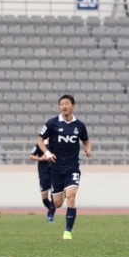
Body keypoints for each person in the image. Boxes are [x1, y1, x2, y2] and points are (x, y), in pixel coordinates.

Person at [37, 95, 91, 240]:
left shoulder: (79, 125)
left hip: (72, 167)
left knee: (71, 197)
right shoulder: (52, 123)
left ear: (73, 106)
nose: (64, 106)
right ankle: (55, 211)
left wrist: (88, 149)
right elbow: (40, 140)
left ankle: (67, 231)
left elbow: (86, 141)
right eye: (61, 104)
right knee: (58, 203)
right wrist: (47, 153)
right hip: (55, 168)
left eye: (67, 104)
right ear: (59, 107)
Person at [28, 143, 57, 222]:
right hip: (43, 174)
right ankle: (50, 210)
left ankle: (51, 215)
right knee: (44, 198)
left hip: (55, 173)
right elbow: (31, 156)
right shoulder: (40, 144)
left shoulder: (57, 142)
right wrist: (41, 158)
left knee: (54, 196)